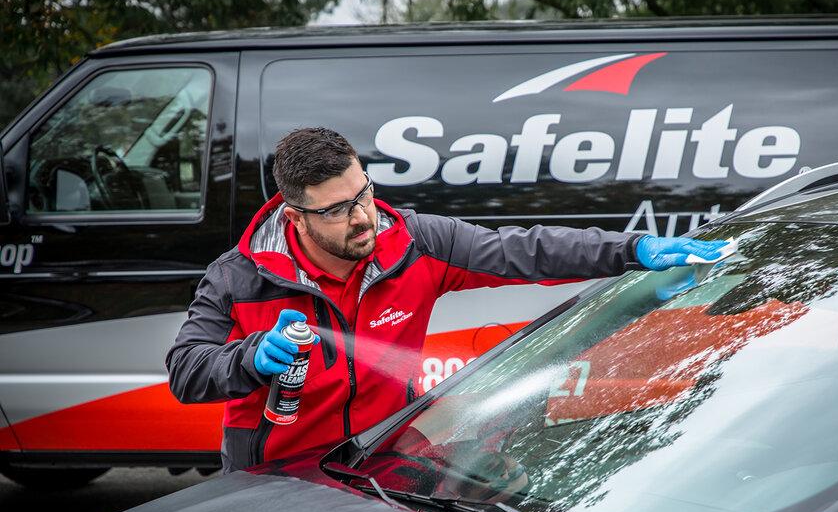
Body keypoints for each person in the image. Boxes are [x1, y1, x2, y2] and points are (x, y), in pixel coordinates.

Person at [165, 127, 730, 473]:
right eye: (336, 210)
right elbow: (186, 372)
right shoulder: (238, 277)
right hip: (274, 473)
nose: (362, 218)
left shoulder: (415, 242)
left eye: (364, 193)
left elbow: (525, 251)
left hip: (377, 462)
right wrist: (249, 359)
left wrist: (632, 248)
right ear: (296, 216)